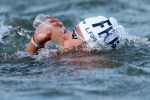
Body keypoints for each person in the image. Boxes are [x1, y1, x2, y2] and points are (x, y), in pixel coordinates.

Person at [26, 15, 125, 55]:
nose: (66, 34)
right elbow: (33, 57)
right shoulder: (68, 59)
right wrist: (37, 41)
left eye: (75, 34)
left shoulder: (72, 68)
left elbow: (26, 67)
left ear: (89, 48)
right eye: (73, 30)